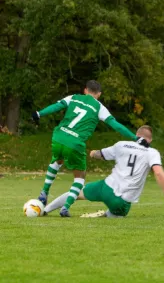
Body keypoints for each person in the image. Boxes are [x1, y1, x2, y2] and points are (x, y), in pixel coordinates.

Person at [31, 80, 137, 210]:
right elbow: (116, 125)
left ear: (85, 90)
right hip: (75, 142)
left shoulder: (73, 97)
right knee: (80, 175)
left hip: (59, 136)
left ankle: (44, 192)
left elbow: (56, 106)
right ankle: (66, 207)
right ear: (99, 94)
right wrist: (134, 137)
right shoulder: (99, 107)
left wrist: (39, 113)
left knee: (57, 161)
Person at [44, 125, 164, 217]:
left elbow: (99, 154)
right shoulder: (152, 152)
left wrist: (92, 153)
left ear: (136, 135)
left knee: (75, 193)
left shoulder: (121, 145)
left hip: (106, 187)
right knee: (119, 213)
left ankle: (45, 210)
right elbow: (158, 172)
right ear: (150, 140)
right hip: (121, 201)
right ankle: (106, 215)